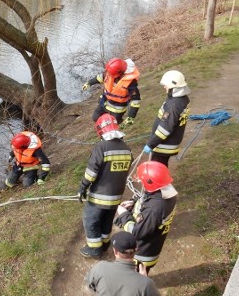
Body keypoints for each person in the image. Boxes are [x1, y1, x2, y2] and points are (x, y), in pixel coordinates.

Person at [79, 114, 133, 258]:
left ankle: (95, 249)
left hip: (99, 195)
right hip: (116, 196)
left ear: (101, 132)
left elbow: (91, 172)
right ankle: (104, 243)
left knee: (91, 220)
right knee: (106, 220)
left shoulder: (101, 147)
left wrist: (83, 186)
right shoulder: (126, 148)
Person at [114, 161, 177, 275]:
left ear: (150, 183)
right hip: (149, 244)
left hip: (142, 254)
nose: (140, 182)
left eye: (142, 181)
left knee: (135, 277)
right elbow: (148, 198)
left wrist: (124, 214)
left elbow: (136, 232)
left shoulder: (154, 209)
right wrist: (134, 202)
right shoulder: (164, 189)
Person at [142, 70, 190, 167]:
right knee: (161, 167)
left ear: (174, 87)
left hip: (164, 146)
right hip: (170, 142)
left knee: (156, 170)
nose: (164, 87)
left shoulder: (174, 105)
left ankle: (162, 182)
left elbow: (165, 129)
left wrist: (150, 144)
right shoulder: (181, 99)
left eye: (166, 85)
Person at [82, 58, 141, 127]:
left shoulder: (130, 83)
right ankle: (103, 131)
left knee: (112, 125)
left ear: (119, 73)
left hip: (117, 109)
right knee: (95, 117)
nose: (109, 75)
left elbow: (136, 101)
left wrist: (131, 117)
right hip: (104, 103)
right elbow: (99, 77)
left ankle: (115, 133)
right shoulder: (110, 73)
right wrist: (89, 83)